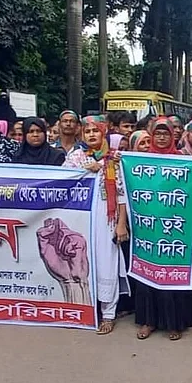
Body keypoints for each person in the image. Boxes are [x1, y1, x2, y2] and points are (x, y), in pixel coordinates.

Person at [63, 115, 129, 335]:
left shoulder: (114, 159)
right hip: (80, 218)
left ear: (103, 133)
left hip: (106, 219)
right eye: (87, 131)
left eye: (96, 131)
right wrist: (87, 169)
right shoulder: (75, 157)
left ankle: (108, 314)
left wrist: (121, 225)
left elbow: (121, 196)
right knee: (80, 263)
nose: (91, 135)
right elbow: (63, 180)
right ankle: (86, 310)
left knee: (106, 262)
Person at [134, 117, 192, 341]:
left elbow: (191, 195)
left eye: (165, 134)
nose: (161, 138)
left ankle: (174, 323)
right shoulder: (140, 160)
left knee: (172, 274)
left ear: (173, 136)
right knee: (147, 273)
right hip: (148, 226)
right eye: (157, 133)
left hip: (174, 227)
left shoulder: (182, 161)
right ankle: (148, 321)